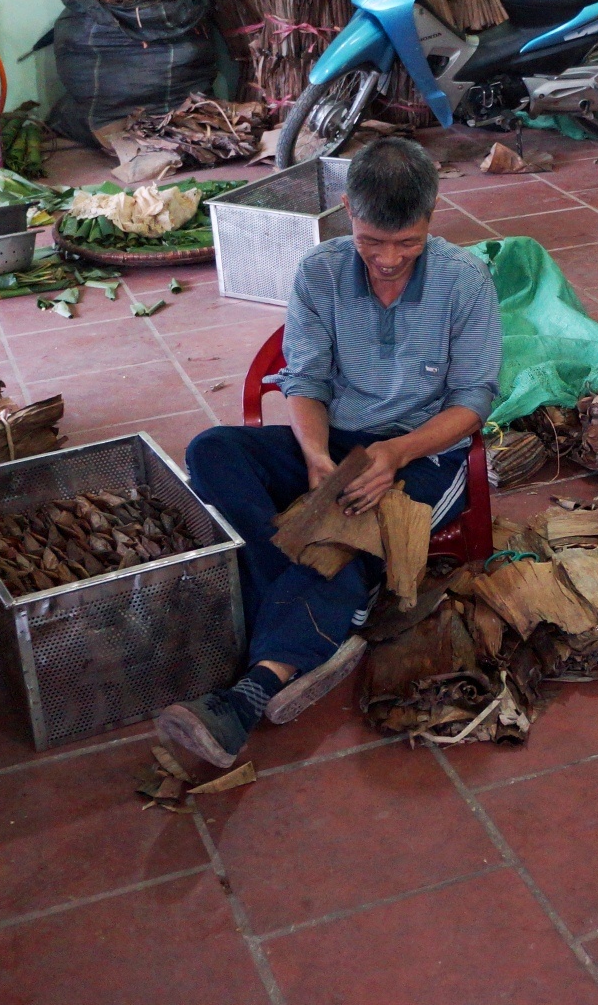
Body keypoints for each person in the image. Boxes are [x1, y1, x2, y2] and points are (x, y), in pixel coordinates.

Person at [156, 136, 500, 768]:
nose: (388, 260)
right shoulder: (320, 271)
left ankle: (252, 691)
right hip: (335, 441)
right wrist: (315, 454)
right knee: (213, 452)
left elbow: (474, 400)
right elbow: (306, 380)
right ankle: (320, 617)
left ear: (431, 217)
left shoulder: (466, 280)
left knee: (346, 535)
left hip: (425, 453)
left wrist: (396, 453)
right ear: (346, 211)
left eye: (408, 242)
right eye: (371, 241)